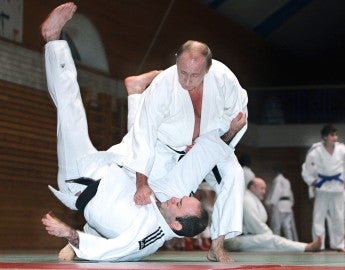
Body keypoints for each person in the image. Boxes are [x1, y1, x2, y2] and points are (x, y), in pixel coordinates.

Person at [40, 3, 244, 261]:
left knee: (70, 113)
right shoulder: (172, 193)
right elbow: (201, 155)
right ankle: (131, 88)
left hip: (80, 181)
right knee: (142, 140)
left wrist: (70, 234)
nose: (178, 197)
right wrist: (230, 131)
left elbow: (118, 251)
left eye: (180, 203)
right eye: (184, 197)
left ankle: (53, 41)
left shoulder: (149, 235)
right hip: (113, 166)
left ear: (176, 224)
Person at [124, 35, 248, 263]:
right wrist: (141, 181)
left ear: (208, 69)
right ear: (176, 62)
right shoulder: (164, 84)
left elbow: (238, 118)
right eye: (183, 72)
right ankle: (90, 236)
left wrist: (220, 138)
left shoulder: (224, 79)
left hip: (211, 141)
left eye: (195, 75)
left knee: (234, 174)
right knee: (134, 184)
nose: (188, 80)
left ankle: (218, 244)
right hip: (166, 146)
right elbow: (144, 133)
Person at [224, 177, 321, 252]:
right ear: (252, 187)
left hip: (243, 239)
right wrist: (269, 235)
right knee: (272, 240)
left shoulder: (251, 198)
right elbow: (254, 224)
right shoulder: (247, 199)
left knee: (271, 246)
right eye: (262, 188)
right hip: (235, 241)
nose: (264, 192)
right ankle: (306, 247)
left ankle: (304, 247)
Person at [301, 124, 345, 251]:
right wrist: (312, 181)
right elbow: (306, 169)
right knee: (319, 216)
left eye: (336, 135)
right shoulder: (315, 151)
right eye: (332, 135)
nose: (335, 137)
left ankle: (339, 245)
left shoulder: (343, 150)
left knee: (339, 217)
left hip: (337, 186)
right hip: (322, 187)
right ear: (325, 137)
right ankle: (318, 244)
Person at [266, 165, 298, 241]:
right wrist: (291, 204)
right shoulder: (287, 181)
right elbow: (290, 194)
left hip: (279, 204)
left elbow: (277, 191)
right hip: (288, 205)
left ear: (276, 172)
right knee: (287, 226)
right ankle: (291, 243)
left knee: (277, 226)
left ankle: (276, 243)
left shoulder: (278, 180)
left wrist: (272, 203)